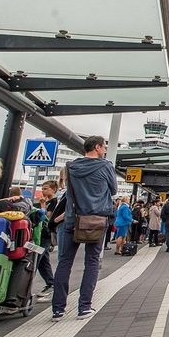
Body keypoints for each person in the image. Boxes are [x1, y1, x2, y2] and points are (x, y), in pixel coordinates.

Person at [51, 135, 117, 322]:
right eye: (103, 147)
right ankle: (84, 307)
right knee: (92, 262)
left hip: (72, 219)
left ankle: (58, 310)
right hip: (95, 220)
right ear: (96, 147)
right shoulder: (105, 166)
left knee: (64, 262)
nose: (105, 149)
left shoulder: (71, 166)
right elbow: (113, 190)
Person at [32, 181, 58, 301]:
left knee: (37, 258)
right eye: (42, 188)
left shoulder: (53, 202)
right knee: (43, 259)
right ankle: (50, 283)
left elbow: (47, 217)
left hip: (46, 233)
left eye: (46, 188)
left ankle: (27, 285)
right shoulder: (47, 201)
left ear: (53, 190)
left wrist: (42, 206)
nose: (43, 191)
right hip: (41, 233)